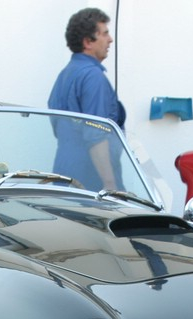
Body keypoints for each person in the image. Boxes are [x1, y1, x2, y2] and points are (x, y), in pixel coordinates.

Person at [48, 8, 126, 191]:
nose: (110, 39)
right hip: (92, 182)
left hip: (65, 177)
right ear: (87, 42)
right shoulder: (93, 77)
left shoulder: (65, 75)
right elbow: (96, 134)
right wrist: (110, 185)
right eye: (104, 34)